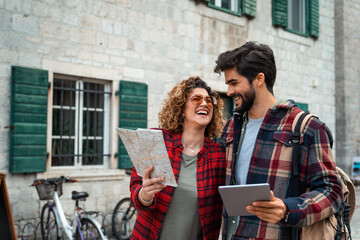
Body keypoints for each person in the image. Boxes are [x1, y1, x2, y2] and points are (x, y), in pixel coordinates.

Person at [214, 41, 343, 239]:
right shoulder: (231, 127)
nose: (229, 92)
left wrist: (288, 209)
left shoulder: (307, 128)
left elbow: (332, 192)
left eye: (234, 83)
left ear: (259, 79)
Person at [129, 76, 227, 240]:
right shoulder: (155, 141)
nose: (204, 103)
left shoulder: (219, 155)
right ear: (181, 108)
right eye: (196, 99)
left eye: (209, 101)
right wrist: (145, 194)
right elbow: (136, 193)